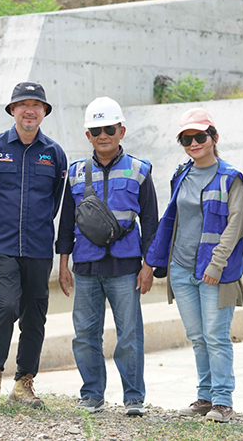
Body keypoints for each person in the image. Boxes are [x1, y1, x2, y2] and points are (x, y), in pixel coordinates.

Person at [56, 97, 158, 417]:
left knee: (129, 335)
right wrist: (63, 264)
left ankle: (133, 397)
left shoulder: (140, 170)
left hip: (127, 266)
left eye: (109, 128)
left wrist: (148, 266)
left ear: (121, 130)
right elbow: (66, 222)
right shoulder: (75, 173)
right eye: (96, 130)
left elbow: (151, 223)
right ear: (88, 135)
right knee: (85, 335)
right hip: (85, 266)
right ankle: (92, 395)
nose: (103, 135)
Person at [0, 82, 67, 409]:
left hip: (38, 247)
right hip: (3, 245)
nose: (29, 110)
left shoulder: (54, 154)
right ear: (12, 110)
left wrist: (37, 226)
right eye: (22, 104)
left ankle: (24, 382)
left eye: (36, 105)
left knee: (35, 315)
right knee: (6, 305)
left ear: (44, 112)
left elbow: (55, 201)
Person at [146, 108, 243, 423]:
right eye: (186, 138)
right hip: (181, 269)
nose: (193, 143)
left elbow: (237, 225)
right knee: (198, 336)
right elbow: (172, 221)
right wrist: (155, 261)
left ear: (213, 138)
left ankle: (223, 401)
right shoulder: (181, 174)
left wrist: (216, 264)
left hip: (215, 271)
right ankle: (205, 397)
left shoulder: (230, 177)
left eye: (200, 137)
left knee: (216, 334)